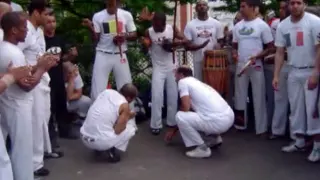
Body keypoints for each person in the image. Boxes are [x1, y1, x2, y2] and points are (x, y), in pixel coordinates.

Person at [0, 11, 56, 180]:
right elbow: (26, 85)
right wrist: (42, 69)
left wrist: (37, 65)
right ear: (13, 31)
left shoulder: (5, 48)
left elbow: (21, 72)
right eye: (24, 28)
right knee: (22, 149)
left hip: (8, 101)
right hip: (18, 105)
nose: (27, 31)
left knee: (15, 146)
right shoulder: (13, 52)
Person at [273, 0, 320, 162]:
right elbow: (279, 52)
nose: (294, 6)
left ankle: (317, 147)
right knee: (296, 108)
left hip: (311, 70)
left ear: (304, 4)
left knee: (313, 110)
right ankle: (299, 142)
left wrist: (316, 72)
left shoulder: (315, 22)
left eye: (298, 2)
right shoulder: (283, 26)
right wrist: (276, 75)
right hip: (293, 71)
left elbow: (319, 48)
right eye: (292, 3)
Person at [165, 66, 234, 158]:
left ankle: (202, 149)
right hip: (229, 117)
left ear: (181, 75)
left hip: (217, 122)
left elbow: (186, 107)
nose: (175, 77)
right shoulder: (197, 83)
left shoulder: (183, 82)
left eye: (176, 74)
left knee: (179, 116)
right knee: (201, 115)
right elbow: (190, 110)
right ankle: (214, 139)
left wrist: (173, 129)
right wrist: (175, 130)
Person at [17, 0, 52, 176]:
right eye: (45, 14)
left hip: (43, 77)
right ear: (36, 13)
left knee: (44, 116)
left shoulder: (38, 31)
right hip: (32, 79)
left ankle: (42, 153)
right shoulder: (26, 31)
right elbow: (17, 54)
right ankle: (34, 164)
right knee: (36, 120)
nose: (47, 18)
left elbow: (39, 53)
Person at [232, 0, 273, 135]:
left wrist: (258, 56)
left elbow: (270, 47)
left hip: (256, 65)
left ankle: (261, 128)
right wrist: (234, 54)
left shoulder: (262, 26)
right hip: (241, 65)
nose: (241, 9)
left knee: (259, 95)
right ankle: (240, 125)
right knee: (239, 95)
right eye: (240, 7)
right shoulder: (237, 26)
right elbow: (234, 46)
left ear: (252, 8)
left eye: (243, 7)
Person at [82, 0, 137, 100]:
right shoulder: (98, 16)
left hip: (120, 54)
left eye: (114, 2)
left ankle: (127, 114)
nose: (111, 4)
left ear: (118, 2)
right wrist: (90, 27)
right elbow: (96, 38)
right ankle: (98, 114)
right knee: (97, 90)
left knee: (127, 88)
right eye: (109, 3)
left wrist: (124, 37)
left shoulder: (126, 15)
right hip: (103, 54)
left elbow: (134, 34)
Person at [141, 12, 185, 135]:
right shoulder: (148, 31)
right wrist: (144, 45)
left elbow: (184, 39)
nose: (156, 28)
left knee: (172, 95)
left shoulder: (172, 28)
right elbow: (145, 49)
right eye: (154, 25)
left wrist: (173, 43)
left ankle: (171, 122)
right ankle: (155, 124)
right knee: (156, 95)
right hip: (158, 67)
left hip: (172, 66)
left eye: (158, 26)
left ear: (164, 24)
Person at [44, 10, 78, 155]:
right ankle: (51, 139)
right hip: (46, 79)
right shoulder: (41, 40)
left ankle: (65, 131)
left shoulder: (59, 39)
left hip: (58, 78)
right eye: (49, 22)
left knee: (61, 106)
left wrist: (70, 56)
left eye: (54, 21)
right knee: (48, 109)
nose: (52, 24)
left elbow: (62, 59)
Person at [80, 83, 138, 163]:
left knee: (103, 122)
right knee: (131, 127)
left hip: (84, 137)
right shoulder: (124, 105)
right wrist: (127, 116)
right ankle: (112, 151)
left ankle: (98, 149)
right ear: (128, 97)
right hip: (101, 142)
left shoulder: (106, 92)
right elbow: (118, 130)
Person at [183, 0, 224, 81]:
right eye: (199, 5)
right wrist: (199, 47)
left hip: (213, 59)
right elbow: (187, 45)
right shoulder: (190, 24)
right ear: (196, 9)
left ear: (208, 8)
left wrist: (219, 45)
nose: (202, 6)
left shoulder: (216, 23)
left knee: (213, 82)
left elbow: (221, 40)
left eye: (204, 5)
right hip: (198, 59)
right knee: (199, 82)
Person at [270, 0, 290, 139]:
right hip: (281, 66)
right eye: (280, 8)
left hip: (297, 66)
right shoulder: (278, 25)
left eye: (284, 8)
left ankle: (296, 135)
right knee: (279, 98)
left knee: (296, 103)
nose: (281, 11)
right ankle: (277, 131)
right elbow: (278, 49)